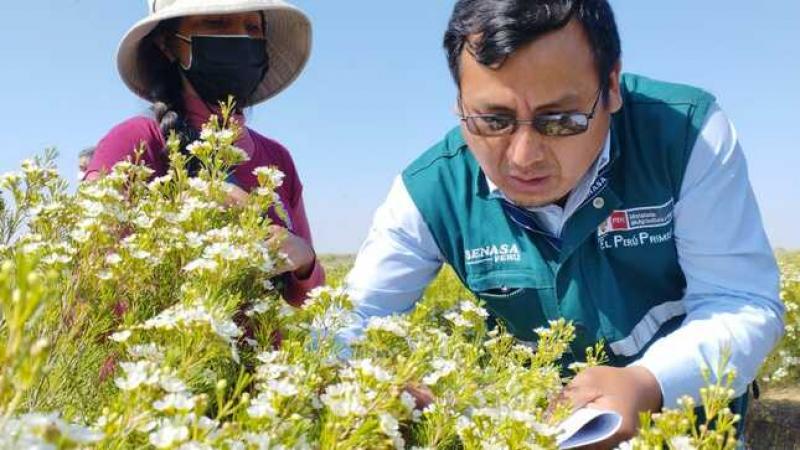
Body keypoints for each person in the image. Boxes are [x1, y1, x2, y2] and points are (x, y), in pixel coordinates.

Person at [339, 0, 784, 446]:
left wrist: (648, 383)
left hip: (691, 426)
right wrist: (383, 388)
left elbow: (739, 300)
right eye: (493, 121)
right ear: (458, 104)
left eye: (561, 120)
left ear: (611, 87)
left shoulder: (686, 133)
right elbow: (349, 319)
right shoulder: (430, 189)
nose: (523, 156)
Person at [85, 0, 323, 305]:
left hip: (256, 351)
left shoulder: (278, 160)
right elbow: (89, 271)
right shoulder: (133, 141)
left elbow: (308, 298)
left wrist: (304, 260)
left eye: (253, 27)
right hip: (164, 352)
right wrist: (182, 218)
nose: (241, 39)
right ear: (167, 44)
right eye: (216, 23)